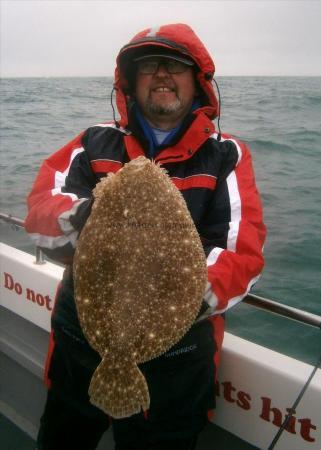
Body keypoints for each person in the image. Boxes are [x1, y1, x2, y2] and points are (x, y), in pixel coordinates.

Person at [25, 23, 266, 450]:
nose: (161, 75)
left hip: (177, 366)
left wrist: (176, 296)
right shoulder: (93, 142)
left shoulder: (226, 155)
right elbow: (42, 206)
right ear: (130, 83)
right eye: (148, 66)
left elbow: (241, 253)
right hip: (79, 351)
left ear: (198, 82)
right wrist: (84, 214)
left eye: (174, 65)